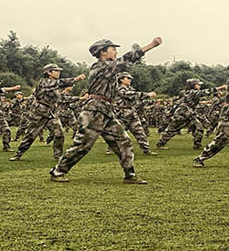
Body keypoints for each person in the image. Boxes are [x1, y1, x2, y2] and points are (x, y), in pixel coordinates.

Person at [50, 37, 162, 183]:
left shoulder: (109, 70)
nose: (116, 51)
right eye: (113, 49)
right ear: (102, 52)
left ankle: (130, 175)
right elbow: (127, 59)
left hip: (106, 111)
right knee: (83, 145)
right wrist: (151, 46)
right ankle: (58, 171)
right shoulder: (102, 67)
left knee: (124, 141)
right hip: (94, 111)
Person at [9, 64, 86, 161]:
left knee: (59, 133)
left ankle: (58, 155)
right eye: (56, 71)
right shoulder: (45, 82)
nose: (58, 72)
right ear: (49, 72)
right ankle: (18, 154)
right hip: (39, 111)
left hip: (50, 112)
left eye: (58, 71)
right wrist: (76, 79)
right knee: (31, 135)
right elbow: (61, 83)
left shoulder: (52, 83)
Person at [156, 79, 227, 150]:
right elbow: (205, 92)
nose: (199, 86)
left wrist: (172, 111)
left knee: (199, 127)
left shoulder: (187, 92)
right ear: (193, 85)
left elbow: (179, 102)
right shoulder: (192, 92)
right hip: (183, 113)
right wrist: (221, 87)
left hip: (189, 113)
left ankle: (197, 144)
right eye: (198, 84)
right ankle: (160, 144)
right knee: (172, 129)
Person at [114, 72, 158, 156]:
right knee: (118, 134)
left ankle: (146, 150)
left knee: (140, 132)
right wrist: (148, 94)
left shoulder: (130, 88)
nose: (130, 80)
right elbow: (132, 95)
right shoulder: (119, 89)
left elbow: (136, 99)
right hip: (121, 115)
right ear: (121, 79)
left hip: (131, 114)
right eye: (128, 78)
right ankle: (111, 149)